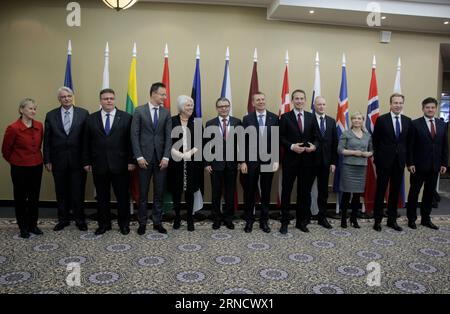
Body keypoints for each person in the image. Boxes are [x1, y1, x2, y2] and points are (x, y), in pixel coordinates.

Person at [82, 88, 135, 235]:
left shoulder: (126, 117)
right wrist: (86, 161)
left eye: (111, 98)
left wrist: (132, 161)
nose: (109, 101)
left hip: (121, 165)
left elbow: (131, 142)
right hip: (99, 165)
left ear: (115, 99)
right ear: (100, 101)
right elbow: (86, 142)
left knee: (122, 197)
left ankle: (124, 224)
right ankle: (104, 224)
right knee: (102, 197)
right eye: (105, 99)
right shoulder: (91, 119)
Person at [43, 87, 89, 232]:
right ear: (59, 99)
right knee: (61, 191)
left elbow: (87, 140)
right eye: (63, 97)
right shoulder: (51, 115)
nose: (67, 99)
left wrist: (87, 160)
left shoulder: (83, 113)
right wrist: (47, 160)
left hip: (78, 161)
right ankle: (63, 219)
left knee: (78, 191)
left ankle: (80, 220)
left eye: (69, 96)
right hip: (58, 160)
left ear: (73, 97)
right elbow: (47, 140)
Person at [131, 82, 172, 235]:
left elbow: (168, 137)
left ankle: (157, 222)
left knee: (159, 192)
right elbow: (134, 136)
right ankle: (142, 222)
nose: (164, 97)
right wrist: (139, 156)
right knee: (143, 193)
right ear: (153, 93)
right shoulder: (139, 111)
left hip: (161, 160)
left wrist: (166, 157)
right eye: (162, 94)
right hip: (144, 160)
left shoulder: (166, 113)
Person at [2, 98, 44, 238]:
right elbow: (6, 151)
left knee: (34, 197)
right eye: (30, 108)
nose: (33, 111)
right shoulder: (13, 128)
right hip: (19, 168)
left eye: (34, 109)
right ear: (21, 110)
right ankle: (23, 227)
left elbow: (38, 146)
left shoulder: (39, 126)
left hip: (37, 166)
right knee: (20, 198)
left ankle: (33, 225)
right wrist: (17, 161)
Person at [279, 89, 319, 234]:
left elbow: (316, 137)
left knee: (304, 193)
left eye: (302, 98)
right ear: (292, 101)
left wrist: (314, 146)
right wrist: (291, 146)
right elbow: (280, 137)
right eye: (296, 98)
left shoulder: (311, 117)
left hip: (307, 162)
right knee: (286, 192)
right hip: (290, 160)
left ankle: (301, 222)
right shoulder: (285, 117)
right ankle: (284, 222)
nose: (299, 101)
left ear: (305, 100)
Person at [406, 97, 448, 230]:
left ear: (436, 109)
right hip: (417, 166)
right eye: (427, 107)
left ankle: (425, 219)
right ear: (423, 108)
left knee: (429, 194)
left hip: (435, 166)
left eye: (433, 107)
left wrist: (444, 163)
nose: (430, 110)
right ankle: (411, 219)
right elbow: (410, 146)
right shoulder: (415, 124)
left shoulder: (442, 124)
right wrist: (410, 163)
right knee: (414, 193)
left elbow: (444, 146)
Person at [372, 93, 412, 232]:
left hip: (399, 162)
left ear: (403, 104)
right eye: (395, 103)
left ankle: (392, 220)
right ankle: (377, 220)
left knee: (395, 192)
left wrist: (408, 162)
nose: (398, 105)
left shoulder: (408, 121)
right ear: (390, 104)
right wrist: (377, 161)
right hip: (384, 162)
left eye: (400, 103)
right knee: (381, 191)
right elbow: (375, 142)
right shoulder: (381, 120)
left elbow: (408, 143)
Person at [240, 92, 279, 233]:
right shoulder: (247, 119)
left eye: (263, 99)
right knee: (250, 191)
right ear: (253, 103)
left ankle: (264, 221)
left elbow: (276, 140)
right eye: (258, 100)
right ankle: (249, 220)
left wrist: (275, 159)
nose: (261, 102)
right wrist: (242, 161)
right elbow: (242, 141)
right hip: (251, 161)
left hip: (268, 160)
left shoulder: (274, 118)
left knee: (266, 191)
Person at [204, 97, 242, 230]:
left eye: (226, 106)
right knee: (216, 192)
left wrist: (241, 161)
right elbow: (207, 145)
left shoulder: (237, 122)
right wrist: (207, 163)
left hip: (232, 164)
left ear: (229, 107)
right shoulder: (210, 123)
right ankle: (217, 218)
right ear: (217, 108)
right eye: (221, 106)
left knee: (230, 192)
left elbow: (241, 144)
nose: (224, 108)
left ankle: (228, 218)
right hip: (215, 164)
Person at [167, 95, 202, 232]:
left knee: (190, 191)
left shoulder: (197, 122)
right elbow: (167, 141)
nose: (191, 108)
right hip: (175, 162)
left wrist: (190, 153)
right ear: (181, 107)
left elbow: (200, 142)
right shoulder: (171, 121)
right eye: (188, 105)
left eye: (192, 105)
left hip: (192, 162)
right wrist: (180, 155)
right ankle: (177, 217)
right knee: (177, 191)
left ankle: (190, 219)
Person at [338, 112, 373, 228]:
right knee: (347, 194)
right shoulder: (346, 134)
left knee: (357, 195)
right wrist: (354, 152)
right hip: (349, 167)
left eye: (359, 118)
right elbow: (340, 150)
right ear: (351, 121)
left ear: (363, 121)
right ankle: (343, 219)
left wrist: (368, 154)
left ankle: (354, 218)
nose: (357, 120)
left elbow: (372, 150)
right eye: (354, 118)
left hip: (361, 168)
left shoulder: (367, 135)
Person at [312, 96, 338, 229]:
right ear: (314, 106)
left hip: (326, 162)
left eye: (323, 104)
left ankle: (322, 218)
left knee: (323, 192)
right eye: (319, 104)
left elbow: (335, 144)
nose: (321, 107)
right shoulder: (309, 120)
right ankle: (305, 217)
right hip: (310, 162)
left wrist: (333, 162)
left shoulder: (331, 121)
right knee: (306, 190)